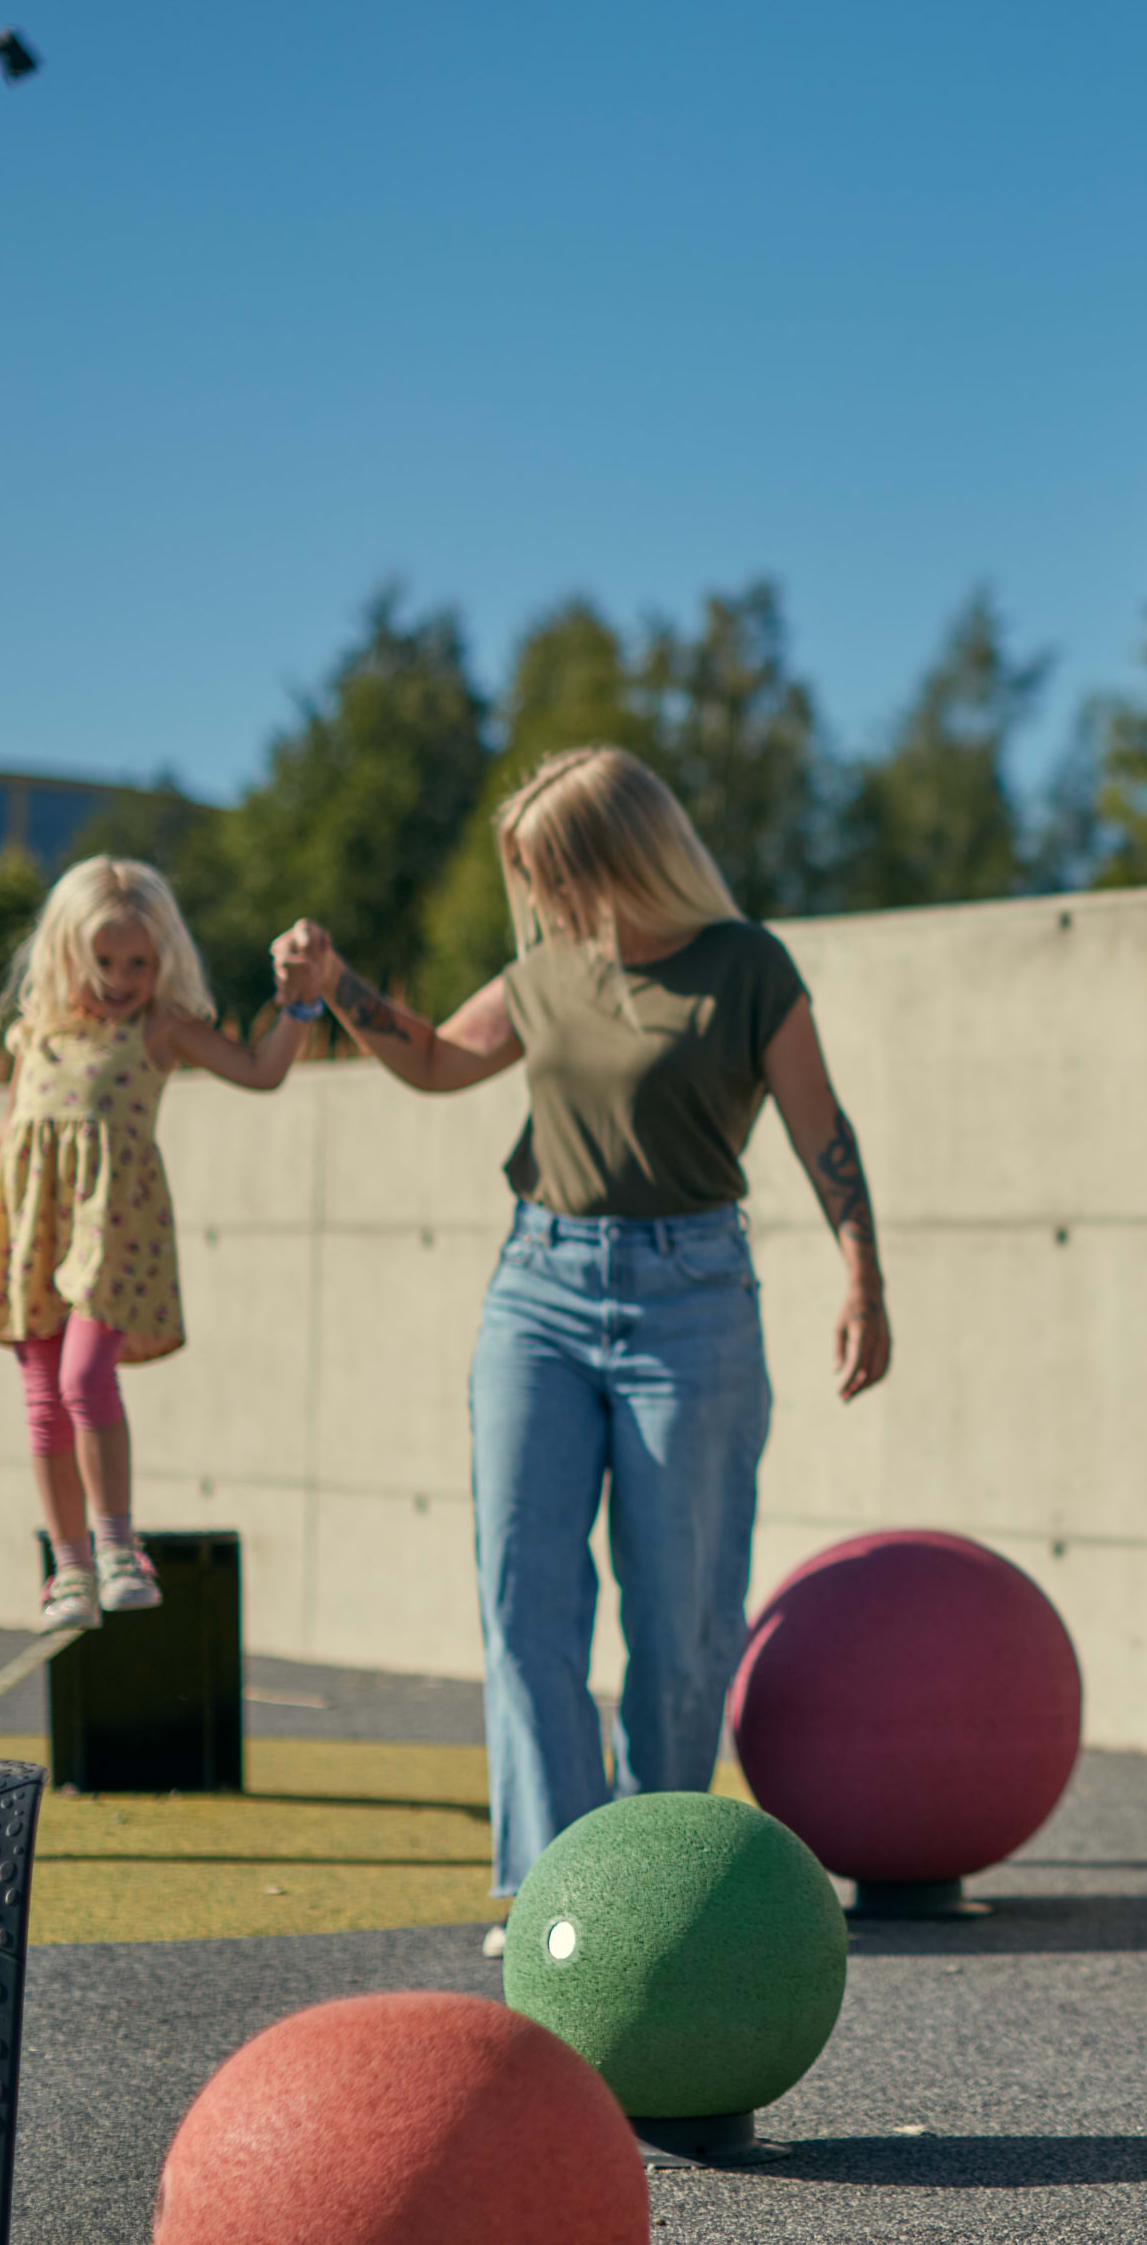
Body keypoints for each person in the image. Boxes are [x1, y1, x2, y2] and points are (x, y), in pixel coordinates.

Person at [272, 746, 893, 1915]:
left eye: (551, 869)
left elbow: (823, 1129)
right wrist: (341, 984)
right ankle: (561, 1893)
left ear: (620, 854)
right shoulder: (547, 971)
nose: (540, 896)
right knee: (526, 1597)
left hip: (692, 1300)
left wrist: (864, 1274)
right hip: (538, 1295)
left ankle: (654, 1894)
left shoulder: (746, 967)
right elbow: (442, 1060)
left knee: (679, 1619)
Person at [0, 856, 321, 1632]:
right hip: (36, 1232)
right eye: (103, 961)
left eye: (138, 963)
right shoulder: (38, 1035)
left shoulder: (162, 1029)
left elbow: (259, 1071)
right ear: (65, 955)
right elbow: (11, 1131)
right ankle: (69, 1567)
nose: (120, 977)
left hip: (115, 1233)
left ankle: (117, 1545)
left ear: (163, 961)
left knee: (85, 1379)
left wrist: (300, 1009)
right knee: (43, 1400)